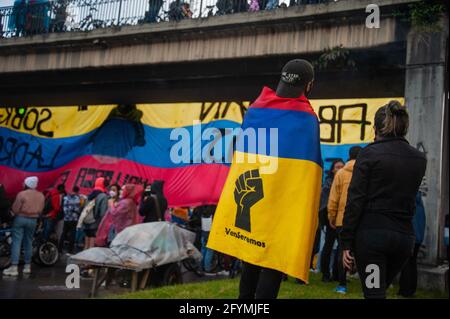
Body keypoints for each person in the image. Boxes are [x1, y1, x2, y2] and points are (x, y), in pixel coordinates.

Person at [236, 59, 317, 299]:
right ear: (309, 85)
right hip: (282, 204)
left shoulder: (255, 110)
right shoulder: (307, 119)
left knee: (250, 259)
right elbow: (307, 171)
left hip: (253, 197)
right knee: (272, 263)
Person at [340, 100, 427, 299]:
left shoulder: (369, 154)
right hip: (404, 239)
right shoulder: (419, 159)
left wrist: (346, 242)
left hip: (373, 239)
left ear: (376, 128)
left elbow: (355, 200)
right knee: (377, 291)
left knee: (373, 293)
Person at [327, 146, 362, 294]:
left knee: (343, 251)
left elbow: (333, 198)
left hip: (343, 220)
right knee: (363, 253)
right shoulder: (365, 172)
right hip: (361, 220)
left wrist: (332, 217)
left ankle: (342, 285)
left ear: (349, 156)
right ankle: (368, 286)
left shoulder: (340, 173)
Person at [3, 177, 45, 276]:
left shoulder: (22, 194)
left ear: (27, 184)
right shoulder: (41, 195)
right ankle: (27, 267)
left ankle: (14, 268)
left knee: (17, 242)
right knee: (28, 242)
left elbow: (15, 209)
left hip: (21, 219)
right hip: (33, 220)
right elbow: (41, 210)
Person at [318, 159, 344, 282]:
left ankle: (337, 274)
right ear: (333, 169)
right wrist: (330, 218)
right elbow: (326, 202)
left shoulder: (345, 180)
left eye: (341, 167)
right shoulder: (328, 183)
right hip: (331, 219)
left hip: (342, 219)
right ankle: (325, 274)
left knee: (341, 248)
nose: (340, 169)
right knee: (328, 246)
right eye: (337, 167)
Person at [398, 191, 426, 297]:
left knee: (406, 263)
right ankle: (411, 289)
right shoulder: (419, 203)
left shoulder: (410, 202)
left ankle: (405, 291)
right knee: (412, 263)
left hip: (410, 236)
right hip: (418, 237)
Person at [81, 177, 108, 250]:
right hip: (96, 223)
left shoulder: (89, 195)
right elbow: (103, 213)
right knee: (91, 248)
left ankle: (82, 258)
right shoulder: (103, 196)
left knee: (86, 245)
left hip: (86, 222)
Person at [58, 186, 82, 254]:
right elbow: (77, 210)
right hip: (74, 219)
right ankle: (70, 250)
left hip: (66, 218)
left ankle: (60, 248)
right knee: (72, 234)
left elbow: (64, 209)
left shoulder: (66, 198)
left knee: (64, 233)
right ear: (77, 191)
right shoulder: (77, 199)